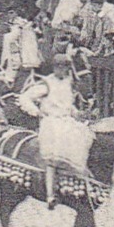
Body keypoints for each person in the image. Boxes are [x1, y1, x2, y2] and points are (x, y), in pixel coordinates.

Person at [18, 53, 82, 208]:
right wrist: (37, 111)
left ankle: (72, 184)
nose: (62, 71)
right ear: (54, 68)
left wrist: (75, 112)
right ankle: (50, 194)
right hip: (51, 122)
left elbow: (66, 103)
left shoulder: (68, 83)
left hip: (67, 121)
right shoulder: (46, 83)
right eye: (59, 67)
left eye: (65, 67)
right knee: (53, 155)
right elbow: (24, 98)